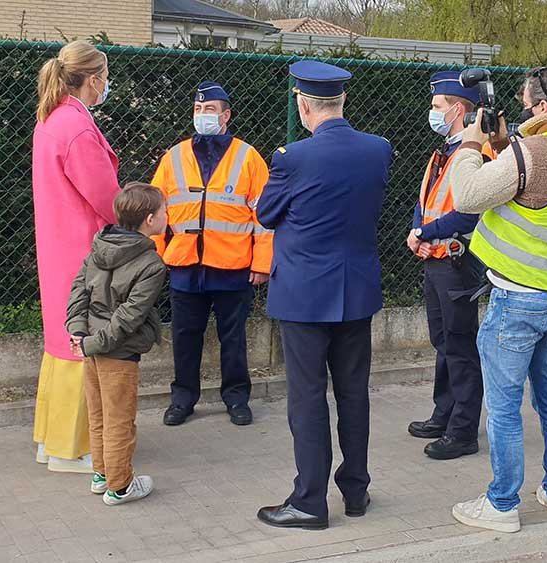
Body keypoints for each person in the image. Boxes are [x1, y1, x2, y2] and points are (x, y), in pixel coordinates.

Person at [448, 67, 547, 533]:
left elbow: (468, 196)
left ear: (540, 108)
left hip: (516, 301)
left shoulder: (534, 150)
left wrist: (473, 145)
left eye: (524, 103)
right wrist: (502, 148)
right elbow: (531, 192)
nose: (519, 110)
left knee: (504, 408)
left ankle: (501, 505)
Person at [256, 61, 393, 530]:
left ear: (302, 103)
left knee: (308, 397)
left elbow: (267, 214)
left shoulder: (291, 157)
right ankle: (355, 491)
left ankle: (309, 501)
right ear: (342, 101)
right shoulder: (379, 150)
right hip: (356, 291)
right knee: (354, 393)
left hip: (304, 295)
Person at [150, 81, 272, 427]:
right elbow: (155, 212)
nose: (202, 116)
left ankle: (236, 399)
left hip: (232, 266)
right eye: (198, 110)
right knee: (184, 337)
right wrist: (158, 256)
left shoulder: (248, 157)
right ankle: (182, 399)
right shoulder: (173, 156)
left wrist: (262, 264)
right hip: (185, 266)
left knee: (233, 338)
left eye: (210, 110)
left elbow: (265, 218)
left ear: (226, 115)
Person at [32, 40, 120, 473]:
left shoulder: (52, 118)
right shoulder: (79, 128)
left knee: (60, 342)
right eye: (105, 75)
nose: (107, 83)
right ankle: (75, 449)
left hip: (58, 248)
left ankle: (51, 441)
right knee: (80, 346)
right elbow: (106, 198)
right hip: (84, 253)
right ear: (92, 79)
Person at [406, 71, 497, 461]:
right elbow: (425, 199)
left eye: (437, 106)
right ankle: (443, 413)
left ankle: (463, 431)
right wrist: (417, 229)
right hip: (436, 260)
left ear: (458, 109)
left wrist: (424, 233)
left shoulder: (479, 152)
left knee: (459, 347)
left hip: (459, 263)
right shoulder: (443, 149)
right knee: (442, 342)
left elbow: (469, 211)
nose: (433, 112)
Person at [66, 183, 168, 505]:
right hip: (118, 353)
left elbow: (78, 293)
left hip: (92, 347)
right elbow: (129, 316)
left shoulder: (99, 246)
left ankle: (102, 475)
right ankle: (120, 487)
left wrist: (81, 335)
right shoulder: (152, 265)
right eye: (165, 211)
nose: (168, 216)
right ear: (150, 220)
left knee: (99, 416)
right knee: (120, 421)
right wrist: (94, 343)